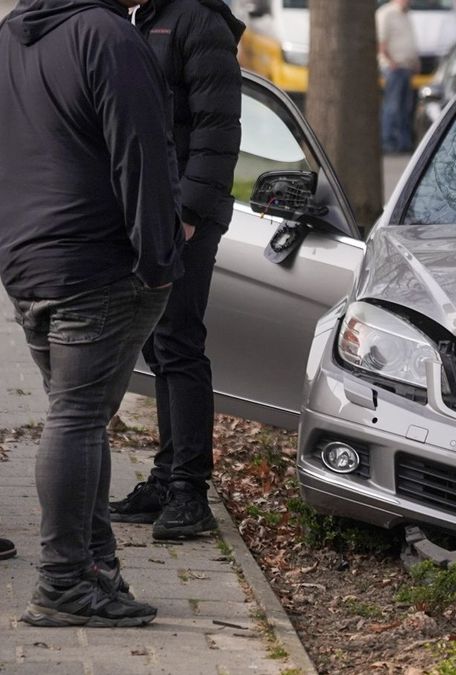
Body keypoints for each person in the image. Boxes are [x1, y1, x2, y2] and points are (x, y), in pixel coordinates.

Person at [0, 0, 184, 627]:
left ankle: (93, 569)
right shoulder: (107, 35)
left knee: (77, 418)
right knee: (77, 420)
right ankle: (61, 584)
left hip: (29, 260)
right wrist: (159, 258)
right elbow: (143, 152)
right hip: (96, 261)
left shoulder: (12, 35)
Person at [108, 0, 244, 541]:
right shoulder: (138, 20)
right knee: (157, 347)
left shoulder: (197, 21)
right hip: (144, 213)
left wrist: (187, 214)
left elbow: (218, 128)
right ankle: (166, 479)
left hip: (185, 218)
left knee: (179, 343)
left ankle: (191, 491)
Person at [377, 0, 419, 153]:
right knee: (392, 106)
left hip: (406, 67)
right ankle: (388, 141)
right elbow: (381, 41)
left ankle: (403, 142)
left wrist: (415, 62)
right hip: (394, 67)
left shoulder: (406, 14)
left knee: (405, 107)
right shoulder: (386, 13)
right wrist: (390, 62)